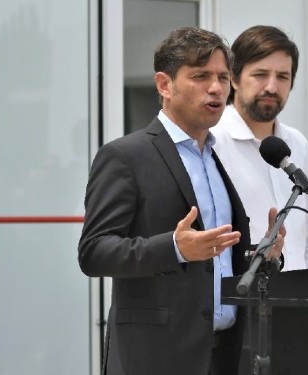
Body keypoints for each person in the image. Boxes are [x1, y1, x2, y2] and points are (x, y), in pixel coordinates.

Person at [77, 27, 283, 375]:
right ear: (164, 85)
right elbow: (94, 252)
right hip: (156, 357)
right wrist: (174, 248)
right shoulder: (125, 156)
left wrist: (265, 257)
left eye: (222, 77)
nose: (216, 88)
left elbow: (219, 261)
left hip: (225, 353)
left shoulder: (217, 159)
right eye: (200, 76)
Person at [213, 25, 308, 271]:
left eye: (283, 77)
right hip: (242, 300)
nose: (272, 87)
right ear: (234, 78)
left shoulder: (297, 142)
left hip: (298, 302)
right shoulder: (213, 140)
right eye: (260, 74)